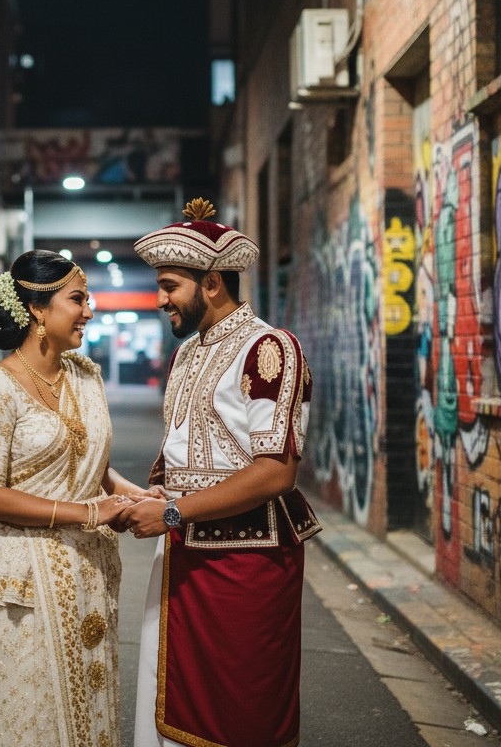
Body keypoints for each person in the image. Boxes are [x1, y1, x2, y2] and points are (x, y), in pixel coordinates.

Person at [119, 199, 322, 747]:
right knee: (171, 694)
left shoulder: (269, 349)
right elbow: (186, 451)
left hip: (246, 560)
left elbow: (276, 474)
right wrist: (158, 493)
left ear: (211, 283)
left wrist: (171, 510)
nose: (159, 300)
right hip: (182, 551)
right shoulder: (187, 355)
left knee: (242, 711)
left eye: (169, 286)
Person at [0, 250, 153, 747]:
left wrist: (126, 494)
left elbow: (89, 458)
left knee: (92, 710)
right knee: (29, 719)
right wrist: (86, 512)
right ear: (38, 309)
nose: (89, 309)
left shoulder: (84, 374)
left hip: (91, 570)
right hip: (22, 578)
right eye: (77, 299)